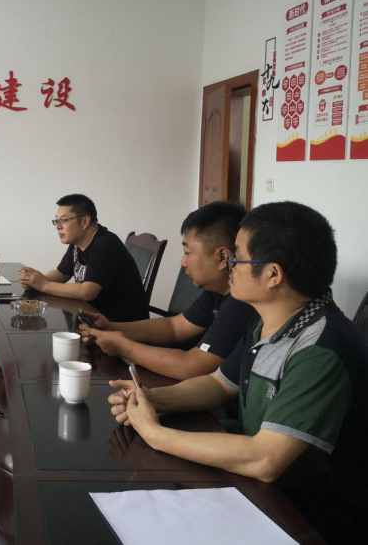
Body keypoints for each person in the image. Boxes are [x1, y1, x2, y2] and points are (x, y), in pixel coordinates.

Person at [108, 201, 368, 544]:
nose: (229, 264)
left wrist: (155, 433)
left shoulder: (320, 349)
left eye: (239, 258)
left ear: (273, 275)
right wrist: (152, 398)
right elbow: (219, 385)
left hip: (313, 515)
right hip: (262, 490)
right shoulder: (268, 321)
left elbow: (265, 460)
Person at [80, 201, 257, 380]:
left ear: (222, 257)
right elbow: (175, 327)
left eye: (188, 253)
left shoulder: (242, 302)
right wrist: (110, 327)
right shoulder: (217, 290)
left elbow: (192, 366)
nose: (183, 262)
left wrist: (123, 347)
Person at [18, 194, 148, 322]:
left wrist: (44, 285)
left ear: (85, 221)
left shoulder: (105, 245)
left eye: (64, 220)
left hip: (120, 325)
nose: (58, 226)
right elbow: (62, 273)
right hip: (93, 316)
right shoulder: (78, 242)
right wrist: (35, 280)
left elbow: (87, 292)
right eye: (56, 221)